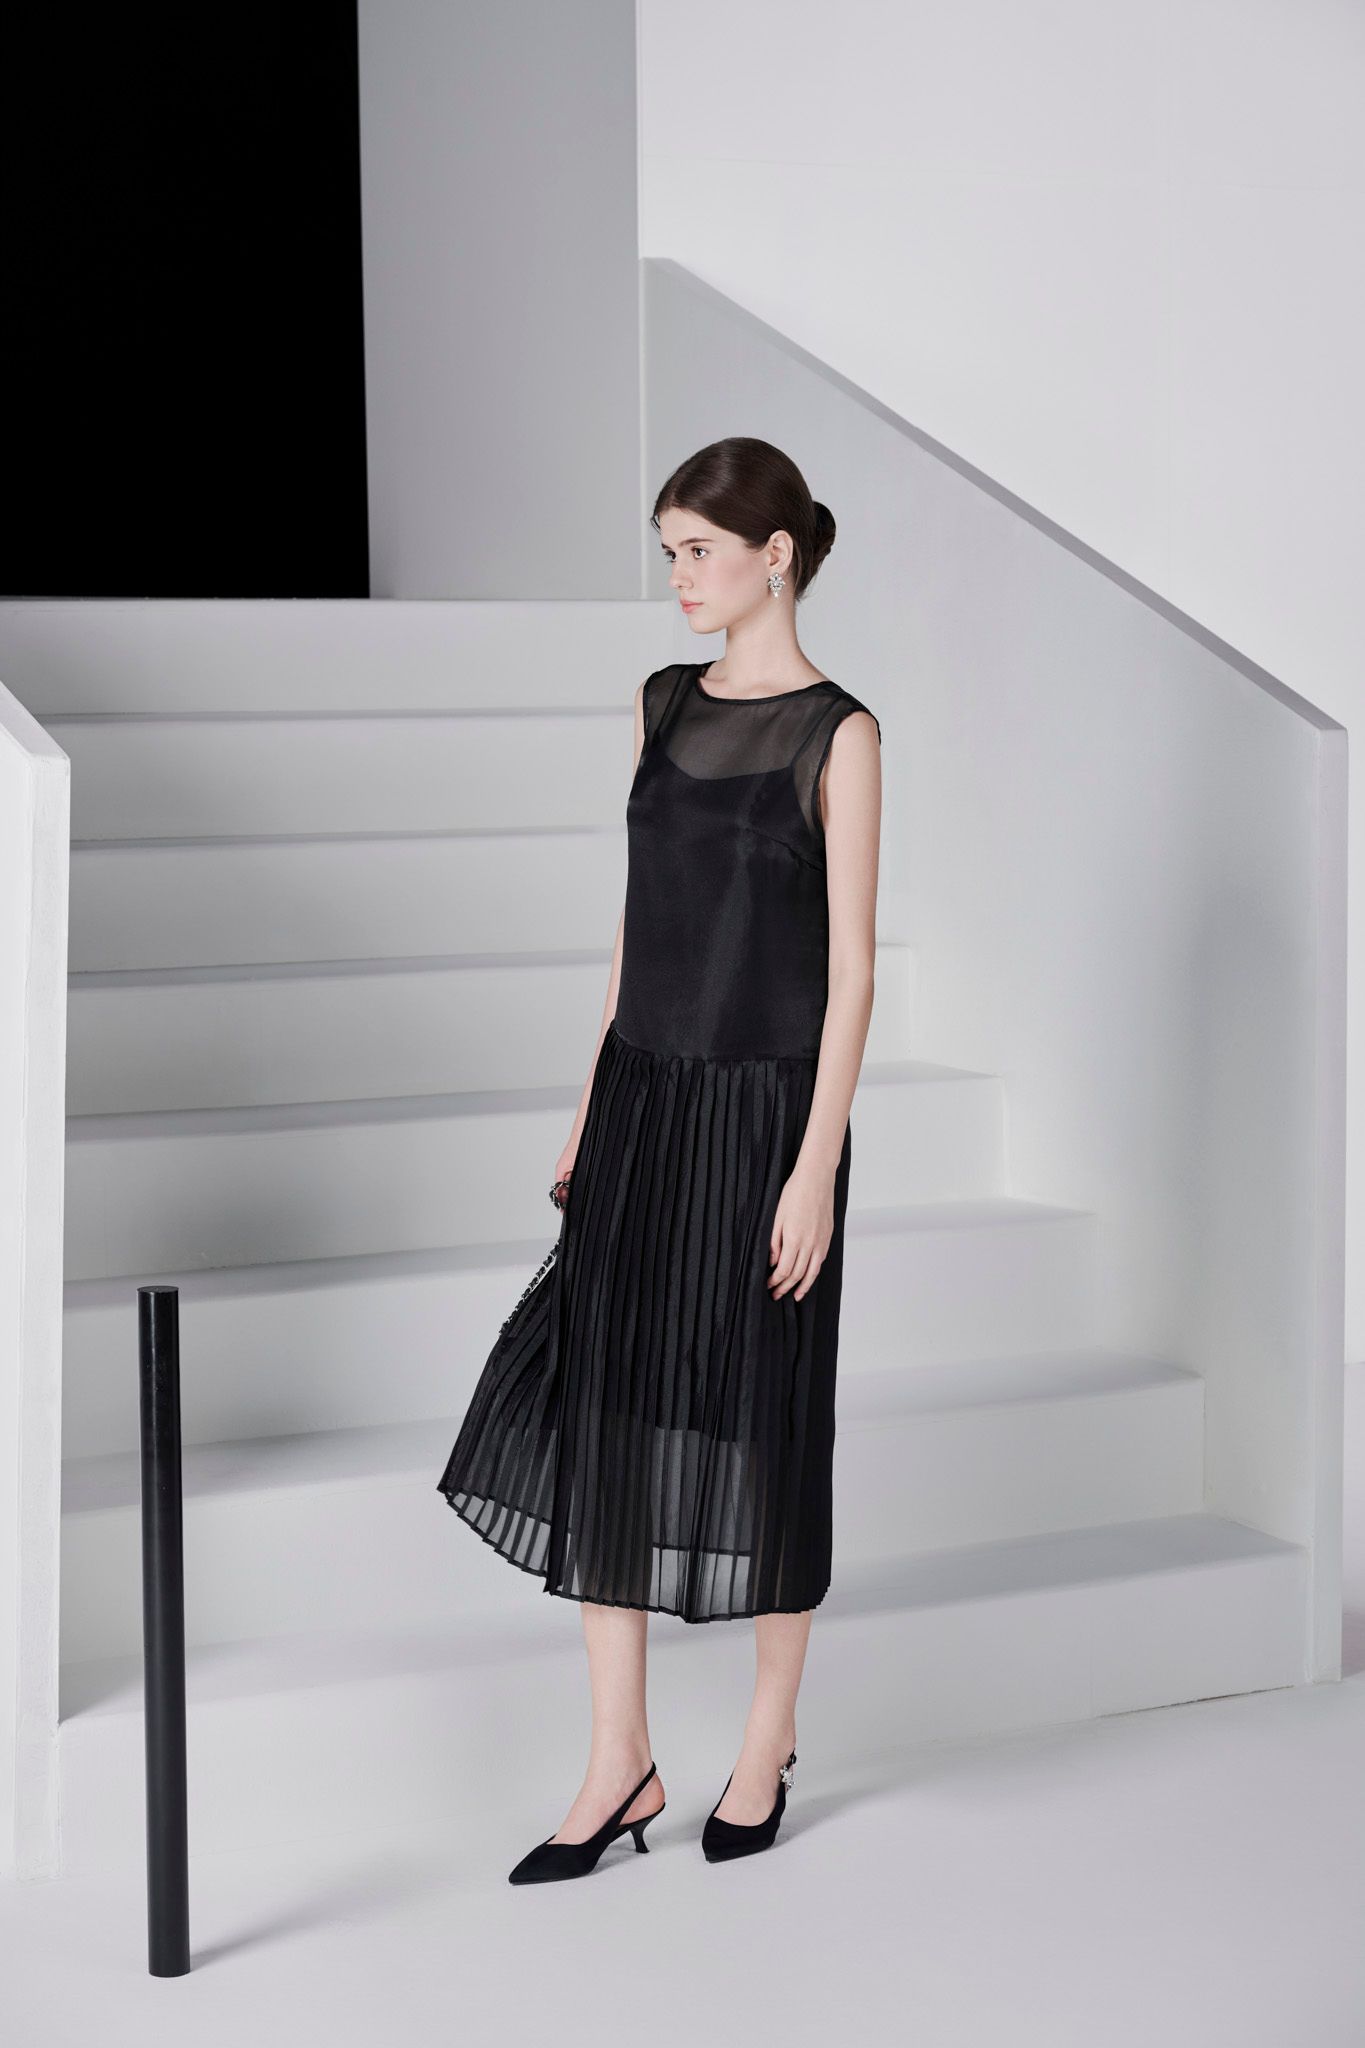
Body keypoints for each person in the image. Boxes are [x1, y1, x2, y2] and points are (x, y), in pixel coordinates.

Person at [437, 435, 882, 1882]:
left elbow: (855, 973)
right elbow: (640, 924)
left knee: (766, 1414)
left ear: (775, 555)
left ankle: (767, 1738)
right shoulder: (658, 703)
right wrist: (589, 1105)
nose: (678, 578)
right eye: (669, 553)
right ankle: (618, 1760)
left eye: (699, 551)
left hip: (765, 1118)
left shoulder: (841, 735)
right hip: (641, 1096)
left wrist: (812, 1167)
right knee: (610, 1410)